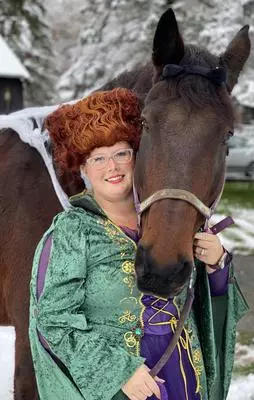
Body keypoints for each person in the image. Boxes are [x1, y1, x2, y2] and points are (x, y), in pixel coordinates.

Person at [29, 87, 248, 400]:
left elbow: (202, 303)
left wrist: (216, 264)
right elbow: (53, 322)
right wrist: (119, 372)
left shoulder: (165, 224)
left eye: (121, 153)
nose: (112, 167)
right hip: (122, 388)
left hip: (184, 374)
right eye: (98, 158)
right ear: (83, 168)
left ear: (137, 156)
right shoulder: (72, 233)